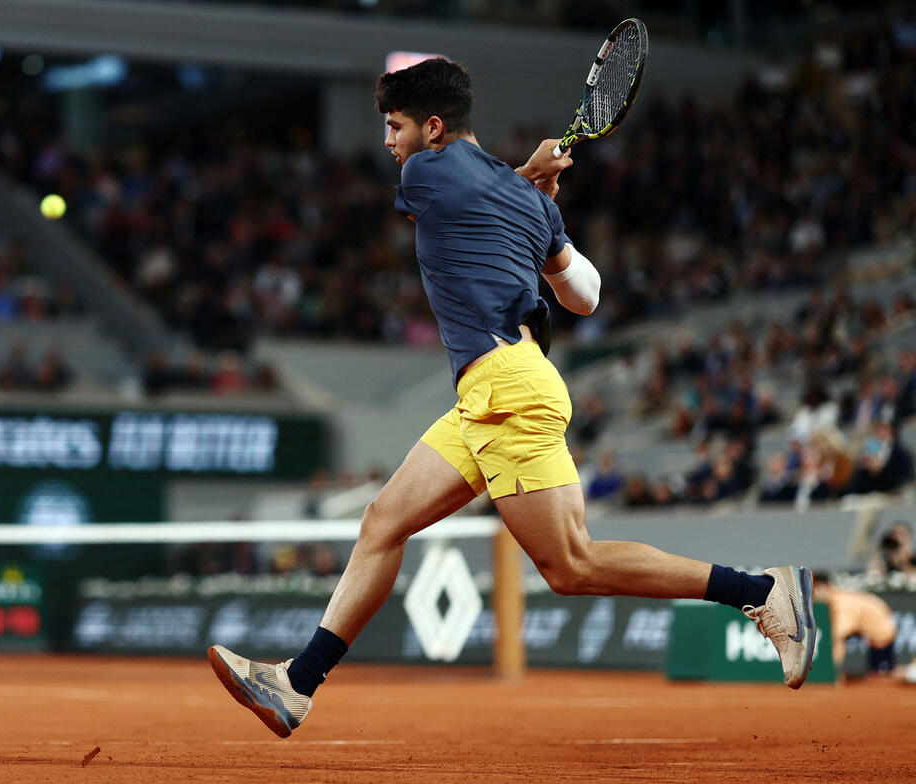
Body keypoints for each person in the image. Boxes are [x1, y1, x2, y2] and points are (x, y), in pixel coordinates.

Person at [207, 58, 816, 738]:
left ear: (432, 128)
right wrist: (534, 195)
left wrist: (526, 180)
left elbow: (476, 202)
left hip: (508, 391)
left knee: (572, 565)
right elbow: (585, 296)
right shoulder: (529, 201)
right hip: (493, 390)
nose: (388, 142)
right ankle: (296, 685)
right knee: (382, 521)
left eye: (395, 126)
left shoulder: (426, 172)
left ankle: (763, 592)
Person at [811, 572, 897, 676]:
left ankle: (831, 671)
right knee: (876, 672)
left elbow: (839, 634)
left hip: (882, 633)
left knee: (881, 675)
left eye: (815, 589)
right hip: (873, 630)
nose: (814, 594)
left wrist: (829, 667)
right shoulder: (838, 598)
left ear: (824, 586)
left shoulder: (842, 602)